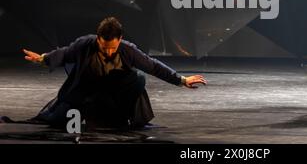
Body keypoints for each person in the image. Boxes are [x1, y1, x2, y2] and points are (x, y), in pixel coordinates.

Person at [23, 17, 207, 129]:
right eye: (104, 47)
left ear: (120, 40)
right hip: (87, 91)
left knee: (138, 79)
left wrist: (181, 80)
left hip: (114, 94)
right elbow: (64, 53)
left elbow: (153, 66)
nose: (109, 52)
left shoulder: (128, 50)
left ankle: (118, 116)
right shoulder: (85, 44)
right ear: (98, 39)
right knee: (57, 120)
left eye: (113, 48)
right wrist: (43, 58)